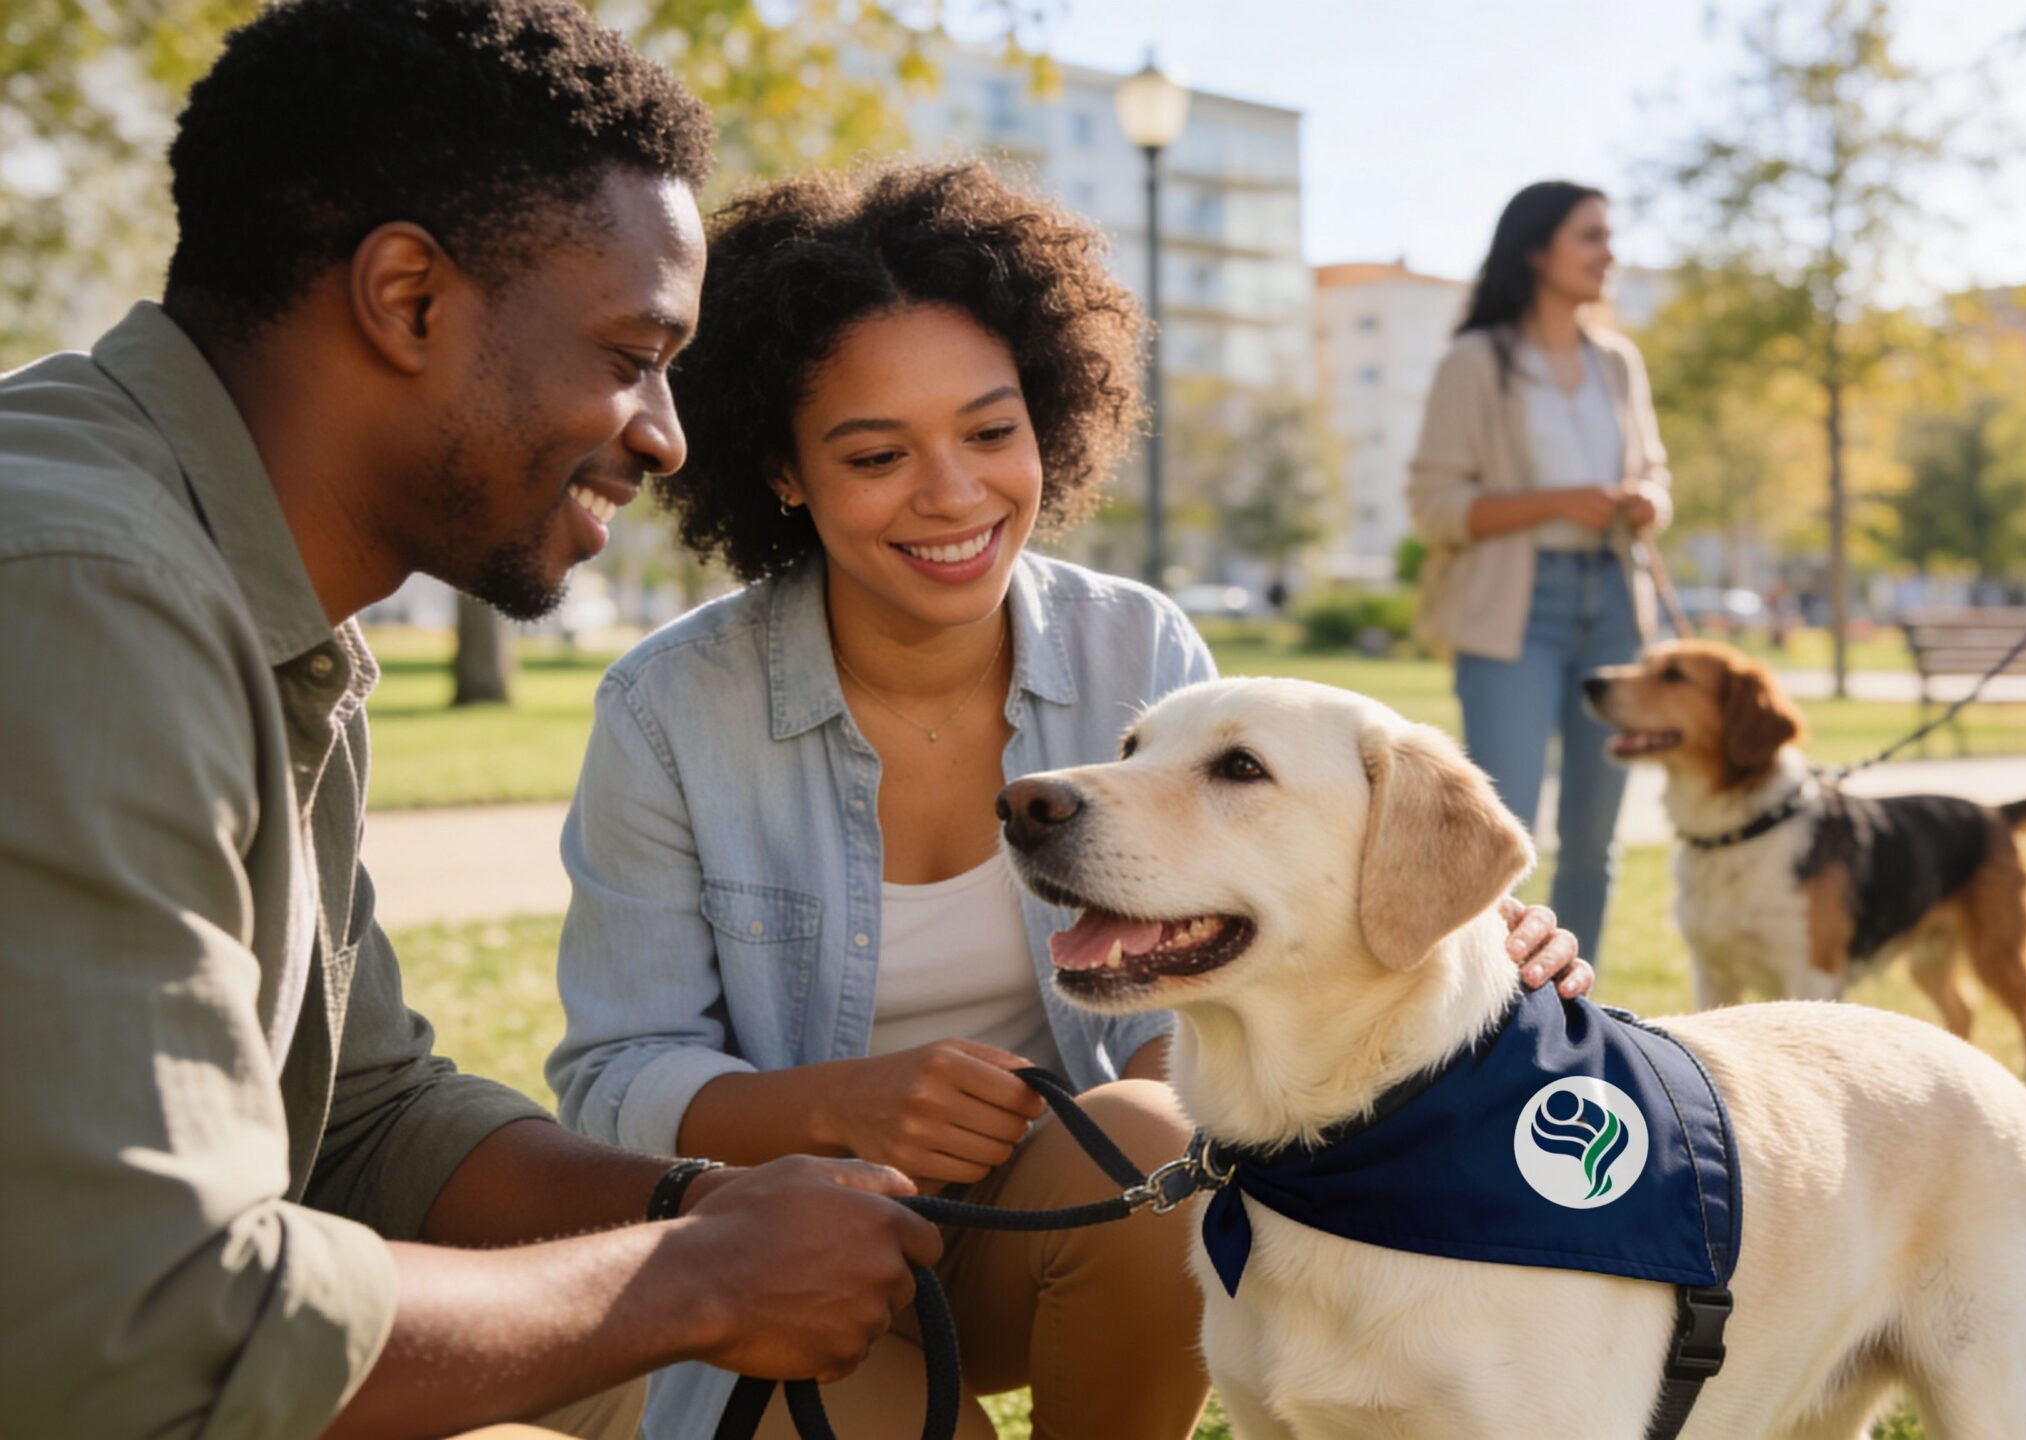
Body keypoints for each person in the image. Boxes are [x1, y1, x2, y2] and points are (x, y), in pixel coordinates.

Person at [0, 3, 950, 1436]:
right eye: (634, 351)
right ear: (407, 299)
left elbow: (364, 1119)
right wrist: (690, 1278)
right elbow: (146, 1334)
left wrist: (699, 1206)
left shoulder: (252, 599)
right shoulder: (81, 591)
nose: (667, 433)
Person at [545, 162, 1592, 1440]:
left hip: (1071, 1226)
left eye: (992, 432)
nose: (953, 495)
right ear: (782, 471)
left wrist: (1467, 938)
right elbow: (613, 1074)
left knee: (1154, 1129)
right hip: (786, 1255)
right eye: (877, 453)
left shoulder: (1136, 651)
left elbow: (1243, 938)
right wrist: (835, 1105)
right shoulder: (666, 712)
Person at [1406, 181, 1676, 968]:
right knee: (1503, 829)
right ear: (1536, 250)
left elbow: (1656, 471)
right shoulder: (1476, 363)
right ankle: (1493, 1015)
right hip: (1513, 611)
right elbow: (1435, 506)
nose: (1609, 254)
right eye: (1590, 236)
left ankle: (1575, 1008)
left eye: (1608, 236)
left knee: (1596, 835)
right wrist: (1555, 502)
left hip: (1616, 607)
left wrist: (1648, 500)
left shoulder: (1618, 363)